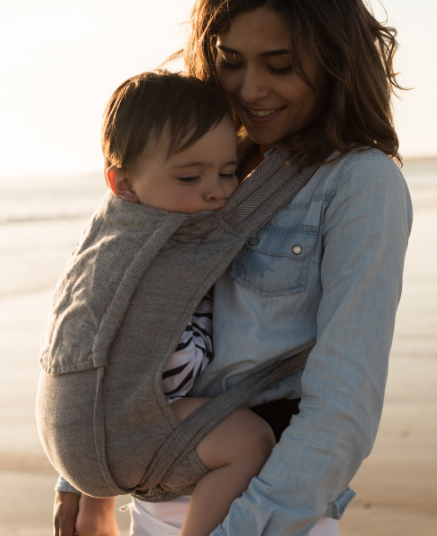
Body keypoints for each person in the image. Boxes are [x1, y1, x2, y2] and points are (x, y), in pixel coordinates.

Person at [54, 0, 412, 534]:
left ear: (335, 61)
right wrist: (80, 478)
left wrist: (240, 528)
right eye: (231, 61)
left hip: (260, 509)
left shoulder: (359, 183)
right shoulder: (203, 162)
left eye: (280, 66)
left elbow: (345, 404)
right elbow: (110, 305)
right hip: (152, 496)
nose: (249, 90)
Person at [55, 70, 294, 536]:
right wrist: (294, 164)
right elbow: (250, 211)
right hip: (129, 425)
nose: (217, 190)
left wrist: (80, 484)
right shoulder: (161, 234)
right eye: (190, 176)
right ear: (121, 183)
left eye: (229, 172)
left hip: (91, 429)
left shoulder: (110, 233)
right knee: (250, 443)